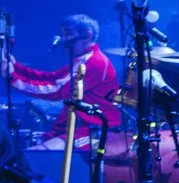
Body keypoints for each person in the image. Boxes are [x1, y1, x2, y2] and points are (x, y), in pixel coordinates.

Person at [8, 13, 121, 151]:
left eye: (68, 34)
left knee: (38, 152)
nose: (64, 40)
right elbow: (52, 78)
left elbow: (56, 90)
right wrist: (16, 67)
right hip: (76, 127)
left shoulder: (95, 62)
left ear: (87, 35)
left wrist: (12, 77)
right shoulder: (83, 59)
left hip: (95, 130)